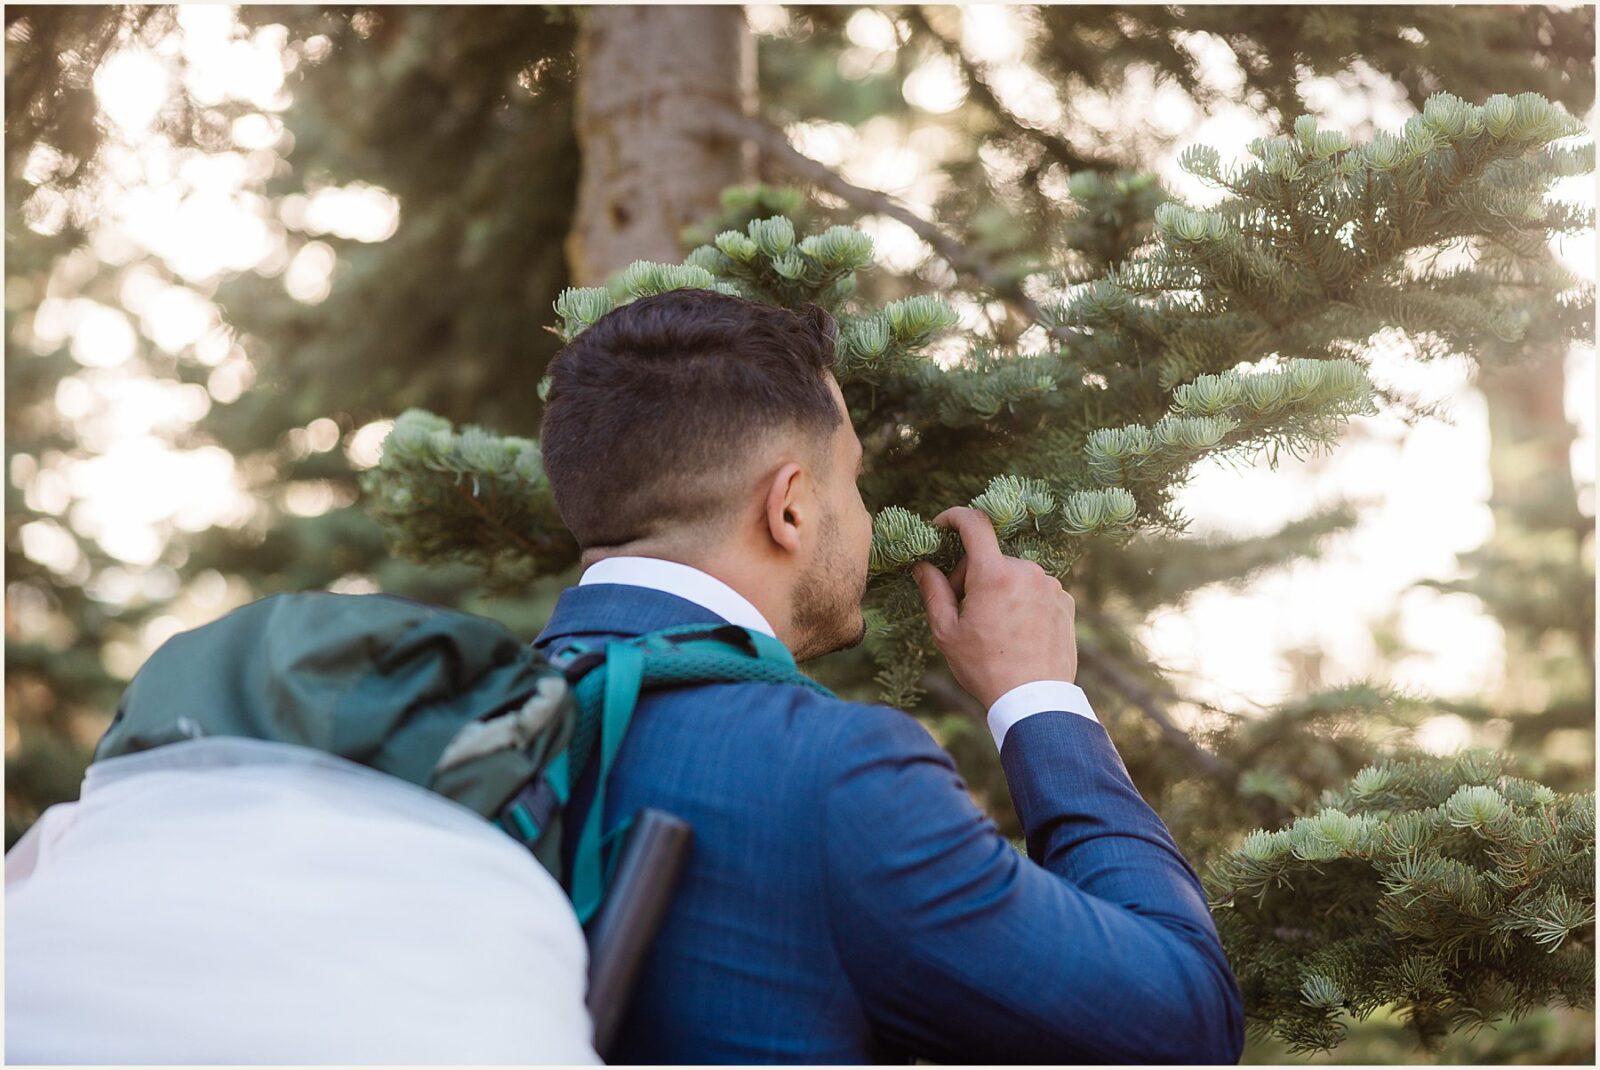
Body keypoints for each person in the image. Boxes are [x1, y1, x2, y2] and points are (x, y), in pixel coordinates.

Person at [535, 288, 1247, 1063]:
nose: (868, 518)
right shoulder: (835, 776)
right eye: (852, 479)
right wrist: (1038, 697)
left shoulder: (461, 720)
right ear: (792, 508)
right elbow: (1182, 1025)